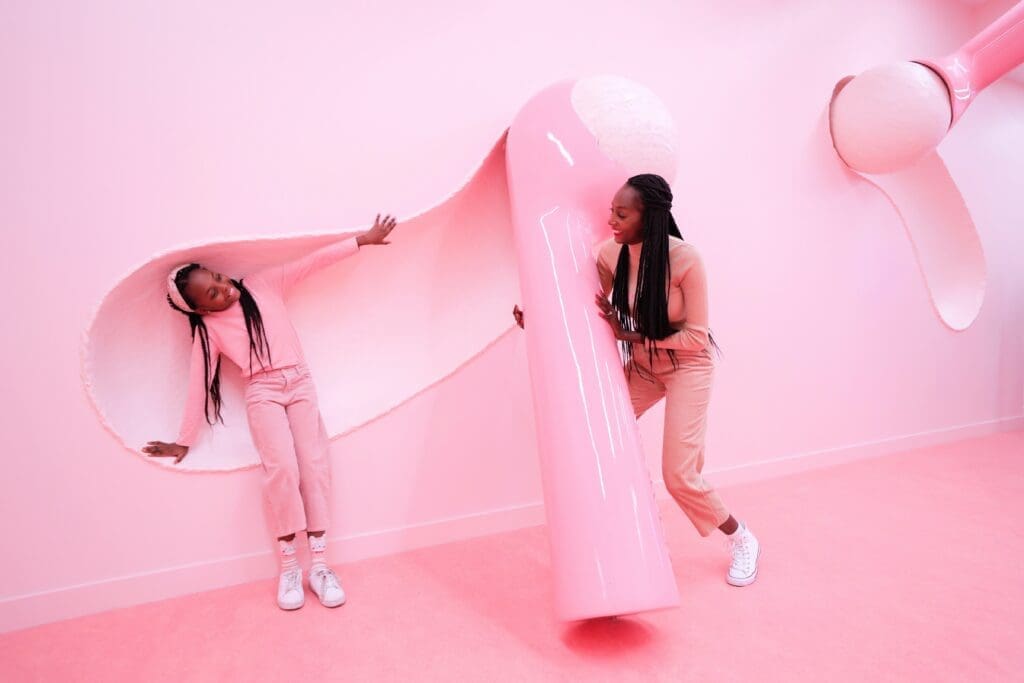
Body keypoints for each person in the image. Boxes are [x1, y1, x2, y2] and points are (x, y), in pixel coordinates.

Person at [144, 214, 398, 608]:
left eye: (217, 279)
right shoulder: (210, 331)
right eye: (211, 295)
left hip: (299, 383)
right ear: (200, 312)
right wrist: (184, 440)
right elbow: (198, 382)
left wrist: (360, 241)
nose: (223, 290)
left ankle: (319, 566)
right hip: (262, 391)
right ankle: (289, 569)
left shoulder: (262, 284)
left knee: (313, 465)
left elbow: (310, 263)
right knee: (282, 469)